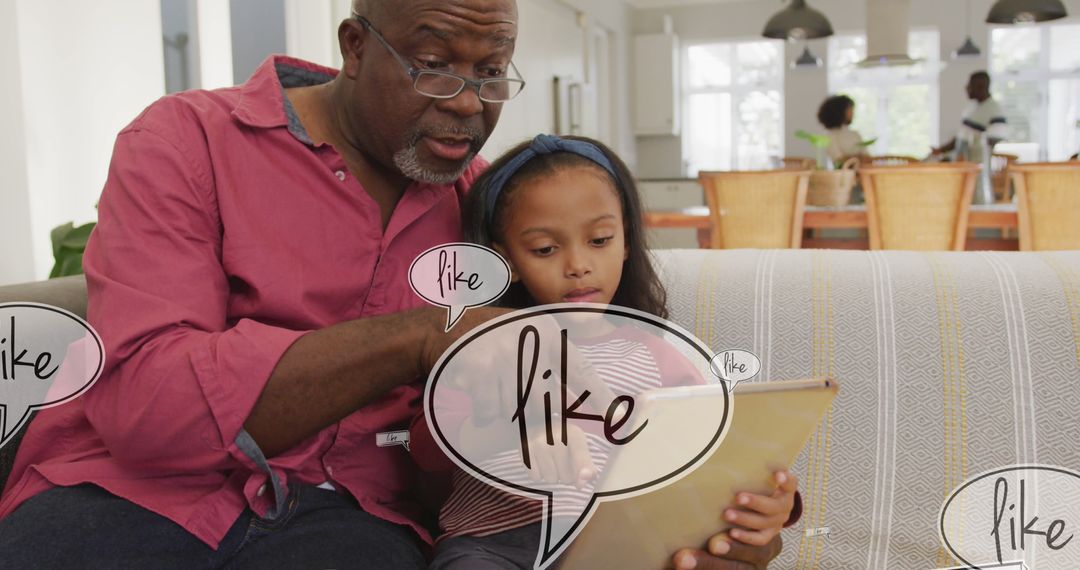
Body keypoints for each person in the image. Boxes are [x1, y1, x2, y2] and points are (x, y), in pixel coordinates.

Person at [0, 2, 789, 568]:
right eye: (434, 63)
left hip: (354, 524)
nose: (470, 105)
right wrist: (416, 337)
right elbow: (151, 408)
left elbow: (524, 428)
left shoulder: (493, 209)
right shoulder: (186, 140)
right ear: (355, 45)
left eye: (490, 71)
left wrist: (690, 520)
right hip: (127, 498)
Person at [409, 135, 801, 570]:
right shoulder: (489, 350)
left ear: (626, 242)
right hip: (495, 545)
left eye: (599, 240)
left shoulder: (656, 355)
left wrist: (773, 498)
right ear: (510, 262)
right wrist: (509, 427)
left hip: (618, 546)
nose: (578, 264)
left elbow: (716, 448)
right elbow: (427, 450)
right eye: (545, 249)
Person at [932, 71, 1008, 163]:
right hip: (962, 162)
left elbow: (993, 143)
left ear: (981, 87)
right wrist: (941, 151)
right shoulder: (972, 108)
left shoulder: (995, 111)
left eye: (970, 85)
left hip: (977, 166)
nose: (966, 88)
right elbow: (961, 136)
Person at [817, 95, 868, 164]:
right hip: (843, 173)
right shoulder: (830, 135)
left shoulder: (855, 134)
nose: (852, 113)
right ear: (839, 111)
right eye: (849, 109)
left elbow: (867, 157)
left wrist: (853, 158)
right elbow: (839, 160)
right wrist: (859, 158)